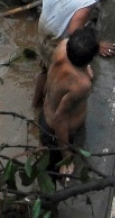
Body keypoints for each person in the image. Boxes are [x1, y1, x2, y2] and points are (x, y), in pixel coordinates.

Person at [31, 0, 115, 110]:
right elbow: (74, 32)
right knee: (55, 77)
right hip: (56, 42)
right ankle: (49, 109)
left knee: (43, 69)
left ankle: (35, 104)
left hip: (42, 30)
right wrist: (96, 46)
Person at [40, 27, 99, 175]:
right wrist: (67, 158)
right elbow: (60, 120)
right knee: (53, 172)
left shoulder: (62, 47)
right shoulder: (82, 85)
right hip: (55, 131)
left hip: (46, 109)